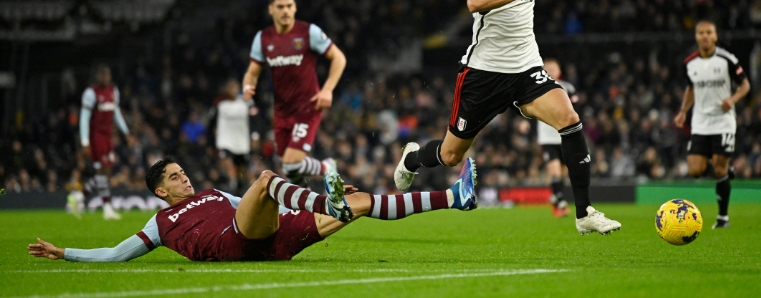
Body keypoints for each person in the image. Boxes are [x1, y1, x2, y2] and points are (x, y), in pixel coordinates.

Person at [393, 0, 621, 235]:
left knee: (570, 119)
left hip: (526, 69)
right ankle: (413, 159)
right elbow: (475, 1)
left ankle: (584, 212)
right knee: (451, 154)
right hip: (484, 75)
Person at [28, 155, 477, 262]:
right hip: (237, 242)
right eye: (174, 178)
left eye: (182, 173)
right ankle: (328, 200)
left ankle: (454, 198)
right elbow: (113, 254)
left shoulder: (212, 196)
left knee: (359, 202)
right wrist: (63, 252)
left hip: (272, 242)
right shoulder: (159, 224)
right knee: (264, 179)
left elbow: (252, 205)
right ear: (160, 192)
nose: (184, 178)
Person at [243, 0, 346, 184]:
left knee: (291, 163)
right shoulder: (263, 39)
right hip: (281, 111)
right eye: (280, 6)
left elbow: (339, 58)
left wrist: (327, 89)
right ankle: (304, 205)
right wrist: (248, 86)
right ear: (271, 9)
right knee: (290, 170)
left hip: (307, 107)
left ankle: (327, 167)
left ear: (295, 8)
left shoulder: (309, 32)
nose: (285, 11)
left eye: (289, 6)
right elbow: (252, 71)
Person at [674, 20, 750, 229]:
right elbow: (691, 89)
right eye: (701, 33)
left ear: (716, 36)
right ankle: (725, 169)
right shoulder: (690, 63)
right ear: (697, 37)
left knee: (718, 169)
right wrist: (683, 112)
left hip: (723, 122)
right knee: (695, 170)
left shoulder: (727, 59)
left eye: (709, 32)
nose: (705, 36)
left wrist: (732, 100)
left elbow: (745, 84)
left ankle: (723, 218)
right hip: (700, 122)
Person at [68, 65, 130, 220]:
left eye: (106, 75)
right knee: (102, 171)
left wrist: (126, 132)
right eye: (101, 75)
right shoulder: (91, 93)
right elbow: (84, 118)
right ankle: (107, 209)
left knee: (106, 172)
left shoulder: (113, 91)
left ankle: (78, 197)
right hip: (96, 136)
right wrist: (85, 142)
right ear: (97, 77)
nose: (104, 78)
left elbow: (116, 113)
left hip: (108, 136)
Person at [536, 58, 577, 218]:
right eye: (548, 68)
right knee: (554, 172)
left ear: (559, 70)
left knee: (563, 173)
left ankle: (555, 196)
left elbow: (575, 109)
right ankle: (560, 203)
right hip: (547, 138)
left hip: (564, 136)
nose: (551, 70)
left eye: (554, 67)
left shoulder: (568, 88)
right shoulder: (538, 87)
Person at [211, 79, 256, 195]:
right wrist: (210, 143)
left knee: (241, 172)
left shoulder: (247, 103)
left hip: (242, 144)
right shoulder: (219, 104)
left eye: (234, 86)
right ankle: (229, 185)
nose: (232, 89)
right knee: (227, 163)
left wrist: (256, 136)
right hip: (225, 142)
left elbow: (255, 120)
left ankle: (238, 189)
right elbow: (211, 124)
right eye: (230, 87)